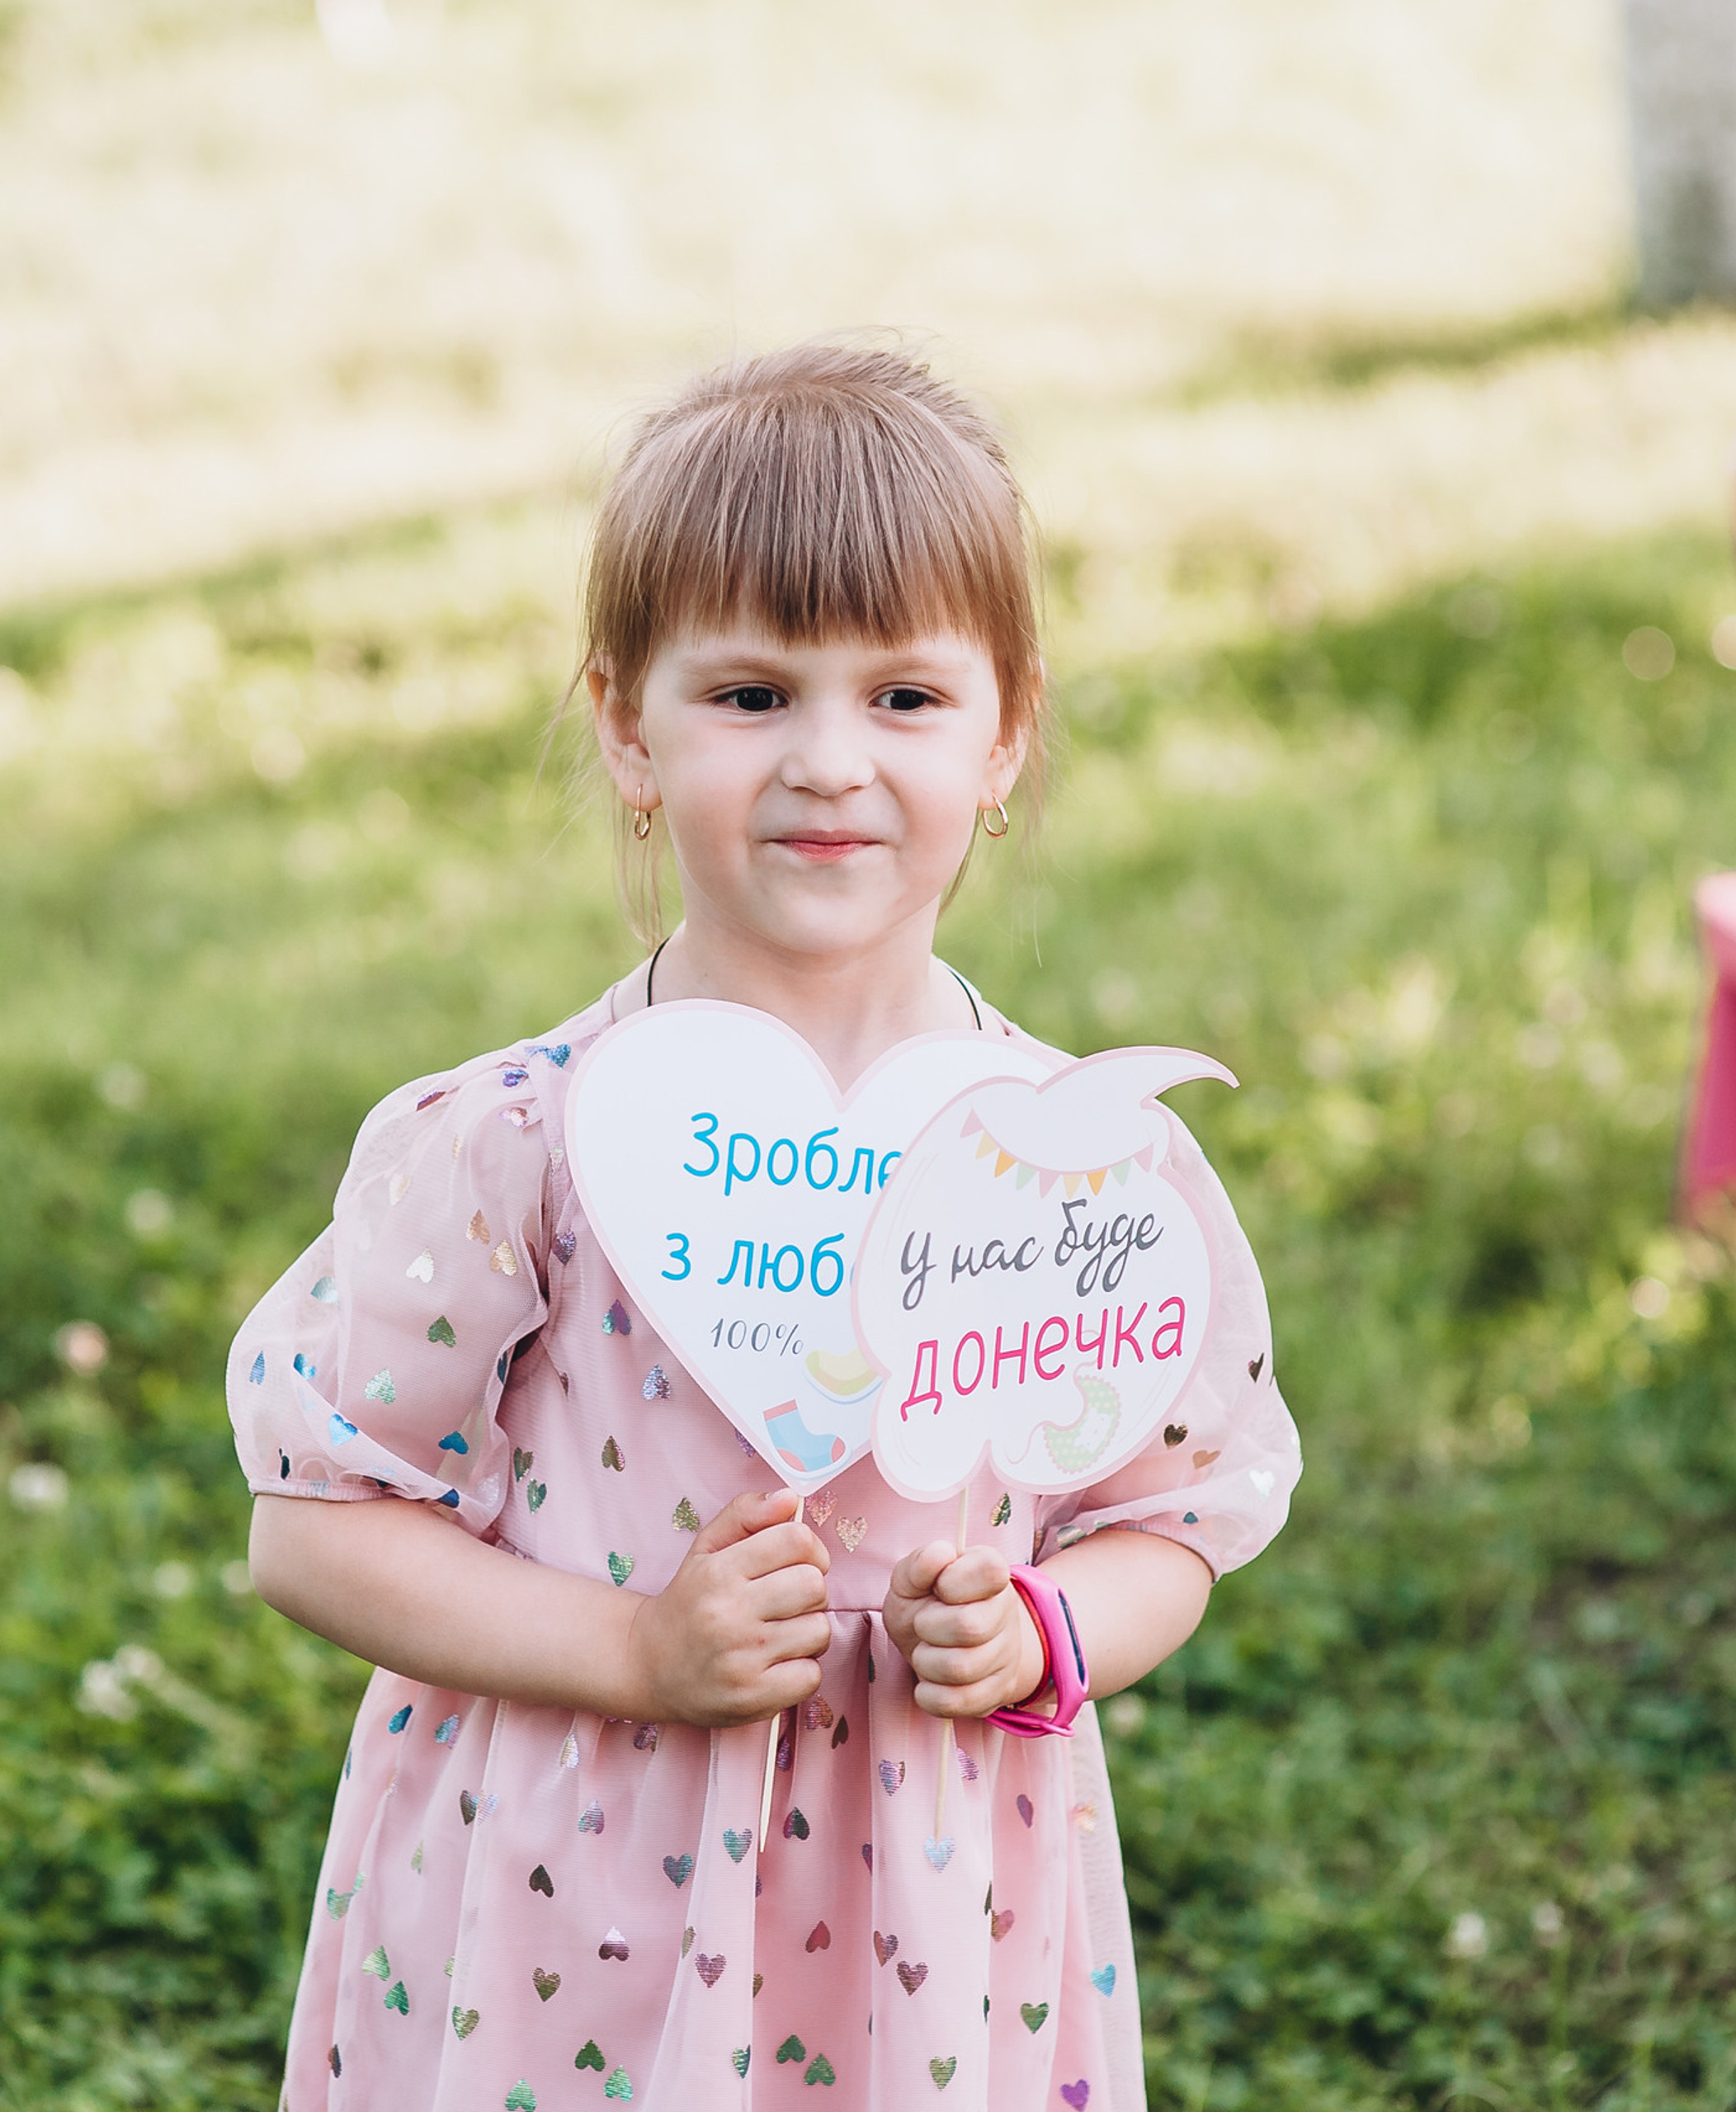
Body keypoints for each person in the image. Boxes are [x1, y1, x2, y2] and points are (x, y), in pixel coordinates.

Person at [228, 342, 1301, 2111]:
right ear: (622, 725)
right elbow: (317, 1528)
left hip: (929, 1905)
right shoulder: (510, 1143)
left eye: (901, 696)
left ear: (1005, 732)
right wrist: (639, 1649)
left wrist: (1049, 1628)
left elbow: (1169, 1518)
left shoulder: (1073, 1170)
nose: (825, 761)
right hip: (570, 1898)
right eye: (745, 693)